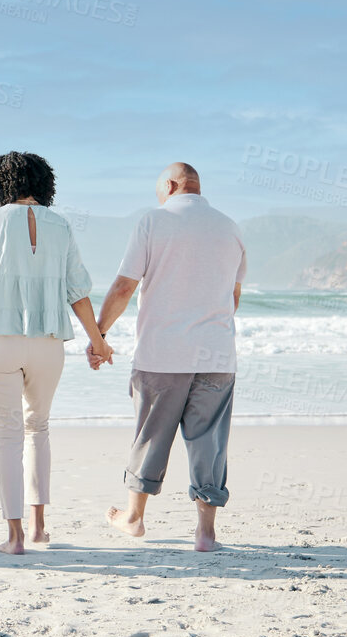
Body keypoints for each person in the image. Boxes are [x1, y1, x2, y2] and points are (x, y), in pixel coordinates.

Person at [0, 151, 113, 556]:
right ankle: (38, 527)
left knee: (7, 433)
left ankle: (13, 536)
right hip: (49, 344)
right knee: (39, 428)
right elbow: (77, 291)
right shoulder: (62, 225)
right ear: (42, 183)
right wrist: (97, 341)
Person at [96, 161, 246, 552]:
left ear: (172, 184)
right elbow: (233, 296)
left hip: (161, 353)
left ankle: (134, 517)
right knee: (209, 442)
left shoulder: (154, 221)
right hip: (216, 356)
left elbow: (125, 286)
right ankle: (206, 533)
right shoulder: (230, 227)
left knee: (150, 435)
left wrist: (99, 334)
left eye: (159, 190)